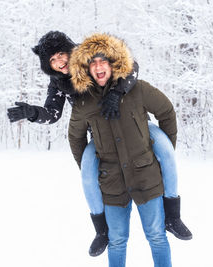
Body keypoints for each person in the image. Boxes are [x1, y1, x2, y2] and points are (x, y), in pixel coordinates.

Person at [7, 31, 191, 257]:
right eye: (52, 60)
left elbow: (129, 66)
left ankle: (172, 216)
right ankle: (102, 230)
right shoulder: (58, 83)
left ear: (70, 50)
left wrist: (117, 92)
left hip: (131, 124)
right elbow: (53, 114)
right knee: (87, 172)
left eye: (61, 55)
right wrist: (33, 112)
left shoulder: (90, 59)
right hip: (100, 134)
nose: (59, 63)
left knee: (165, 150)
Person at [68, 33, 180, 266]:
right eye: (93, 63)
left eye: (103, 61)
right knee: (117, 241)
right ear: (87, 69)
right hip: (112, 184)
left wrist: (162, 151)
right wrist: (89, 167)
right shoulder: (84, 103)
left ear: (112, 64)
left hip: (146, 177)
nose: (98, 67)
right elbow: (75, 137)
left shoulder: (137, 90)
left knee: (157, 236)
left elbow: (167, 112)